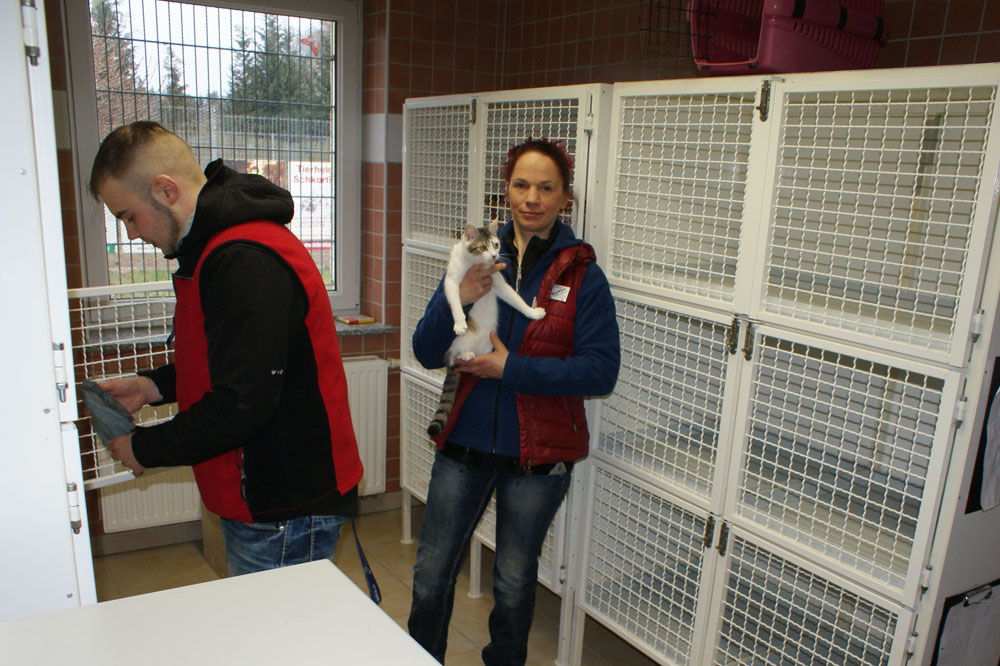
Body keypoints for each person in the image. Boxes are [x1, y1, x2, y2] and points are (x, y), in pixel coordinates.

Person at [89, 121, 363, 576]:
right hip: (266, 502)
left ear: (165, 190)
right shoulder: (212, 248)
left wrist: (143, 447)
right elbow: (230, 360)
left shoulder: (243, 259)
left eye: (127, 216)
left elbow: (242, 404)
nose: (132, 233)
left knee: (273, 644)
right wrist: (151, 386)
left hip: (284, 507)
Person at [408, 138, 620, 665]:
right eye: (522, 185)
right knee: (432, 574)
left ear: (565, 198)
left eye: (547, 187)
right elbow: (426, 348)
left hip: (538, 458)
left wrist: (511, 369)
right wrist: (463, 292)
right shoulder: (478, 256)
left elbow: (600, 370)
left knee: (514, 582)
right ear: (506, 191)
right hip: (464, 446)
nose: (532, 197)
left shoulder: (583, 276)